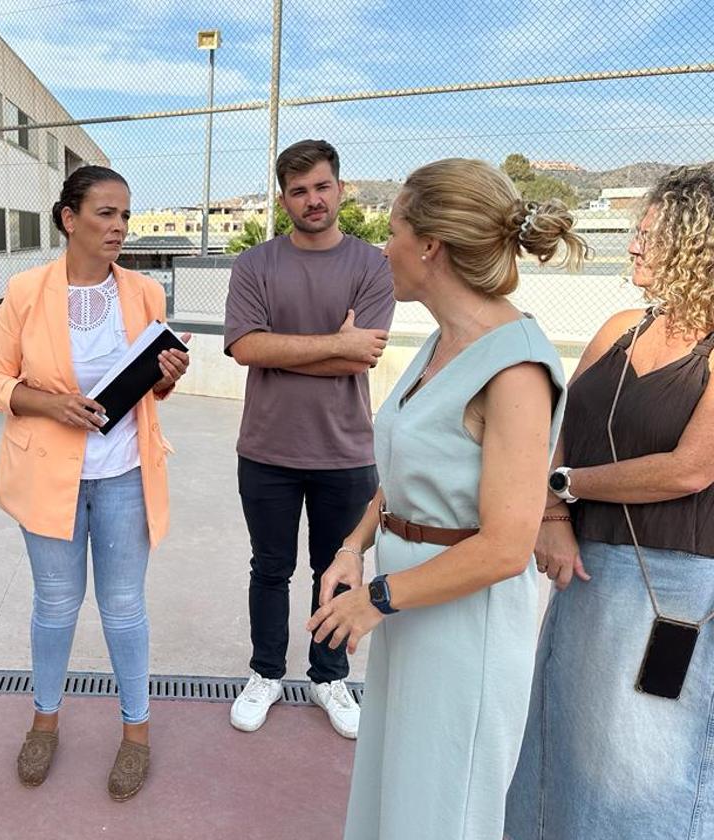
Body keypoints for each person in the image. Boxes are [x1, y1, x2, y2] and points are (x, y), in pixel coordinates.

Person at [307, 158, 587, 839]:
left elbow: (505, 546)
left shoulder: (515, 367)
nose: (383, 246)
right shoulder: (442, 341)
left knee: (442, 807)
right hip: (410, 605)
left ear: (430, 244)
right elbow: (406, 472)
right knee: (396, 792)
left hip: (464, 627)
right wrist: (352, 547)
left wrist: (375, 600)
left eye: (394, 229)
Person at [505, 164, 714, 840]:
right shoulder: (620, 325)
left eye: (649, 234)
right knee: (563, 738)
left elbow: (688, 470)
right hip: (585, 573)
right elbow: (562, 434)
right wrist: (553, 515)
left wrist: (567, 487)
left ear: (697, 244)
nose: (632, 246)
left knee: (649, 766)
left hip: (676, 594)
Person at [0, 165, 190, 801]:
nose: (119, 226)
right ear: (69, 219)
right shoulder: (25, 291)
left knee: (124, 608)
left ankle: (136, 733)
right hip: (48, 476)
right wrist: (50, 405)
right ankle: (44, 721)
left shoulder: (146, 293)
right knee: (54, 605)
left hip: (124, 472)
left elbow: (148, 390)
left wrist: (167, 376)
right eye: (105, 213)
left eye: (125, 214)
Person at [223, 139, 395, 739]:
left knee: (337, 566)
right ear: (283, 199)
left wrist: (284, 350)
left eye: (321, 187)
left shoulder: (372, 265)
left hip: (346, 451)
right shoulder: (255, 266)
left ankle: (329, 677)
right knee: (270, 568)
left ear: (340, 189)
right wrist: (334, 343)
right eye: (298, 191)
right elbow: (246, 347)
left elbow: (361, 359)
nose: (312, 199)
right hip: (267, 448)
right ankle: (266, 672)